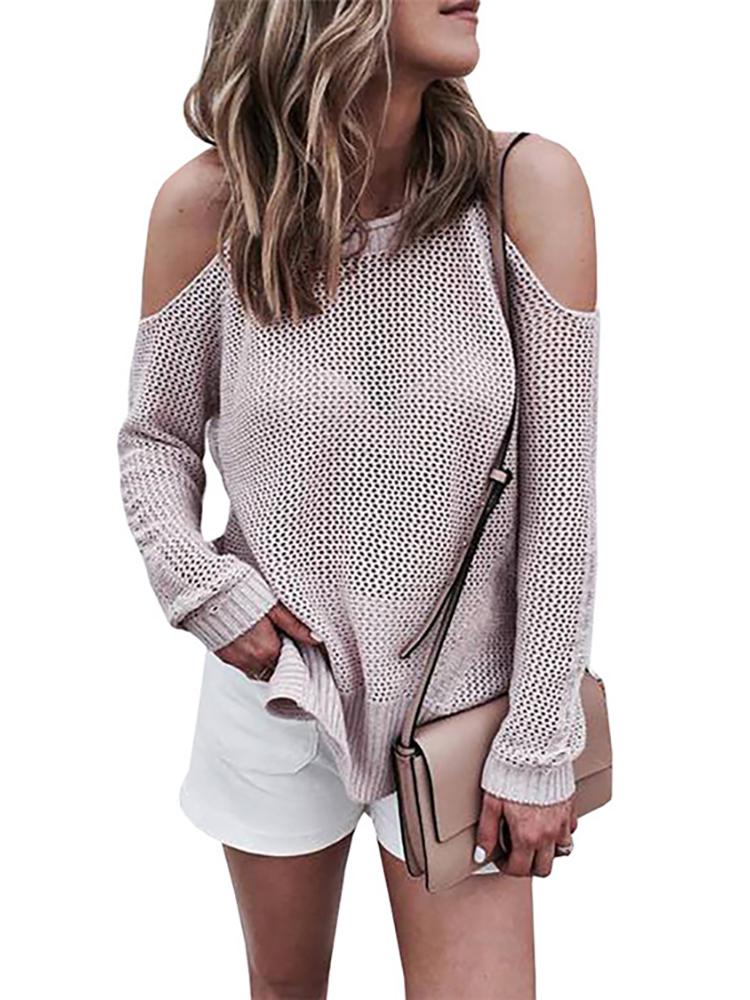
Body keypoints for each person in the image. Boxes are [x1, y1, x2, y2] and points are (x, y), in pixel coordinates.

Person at [116, 1, 600, 997]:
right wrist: (207, 590)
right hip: (278, 689)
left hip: (462, 714)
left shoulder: (524, 190)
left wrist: (538, 741)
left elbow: (560, 509)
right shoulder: (208, 208)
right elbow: (154, 440)